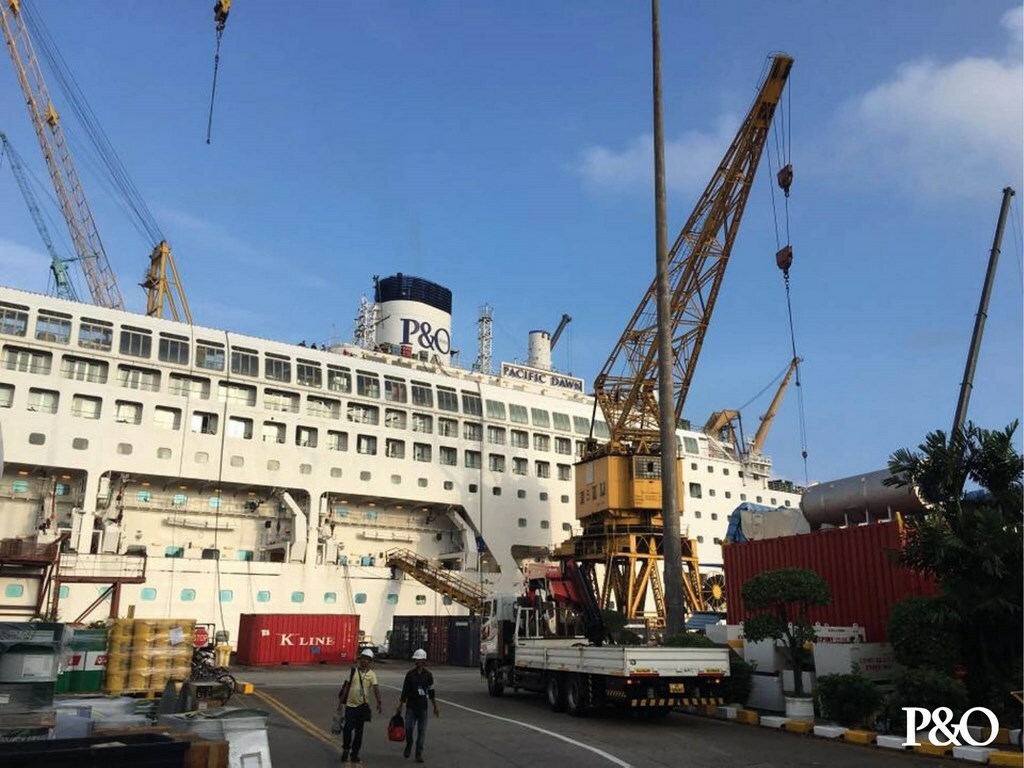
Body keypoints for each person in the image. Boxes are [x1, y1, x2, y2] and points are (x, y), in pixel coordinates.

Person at [338, 648, 383, 764]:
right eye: (363, 658)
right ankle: (346, 748)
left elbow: (376, 689)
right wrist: (340, 703)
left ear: (370, 661)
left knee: (359, 732)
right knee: (347, 729)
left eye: (367, 660)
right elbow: (346, 687)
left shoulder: (371, 675)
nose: (365, 661)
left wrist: (379, 702)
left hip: (362, 706)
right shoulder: (353, 672)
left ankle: (355, 753)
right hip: (350, 705)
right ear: (360, 659)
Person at [397, 648, 439, 763]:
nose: (417, 662)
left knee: (422, 732)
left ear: (424, 661)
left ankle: (418, 753)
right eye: (416, 660)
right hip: (411, 706)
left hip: (423, 708)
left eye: (419, 660)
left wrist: (435, 706)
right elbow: (405, 691)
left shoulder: (428, 676)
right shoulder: (410, 675)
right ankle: (409, 743)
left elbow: (431, 691)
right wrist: (400, 705)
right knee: (408, 728)